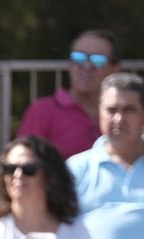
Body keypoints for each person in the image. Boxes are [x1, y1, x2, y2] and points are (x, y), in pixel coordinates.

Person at [72, 73, 144, 239]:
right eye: (111, 110)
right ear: (100, 113)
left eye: (129, 110)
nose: (118, 119)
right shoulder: (75, 169)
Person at [17, 30, 121, 159]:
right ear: (70, 64)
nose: (87, 66)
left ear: (115, 69)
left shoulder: (122, 114)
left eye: (98, 60)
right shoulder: (42, 111)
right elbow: (24, 161)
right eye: (78, 58)